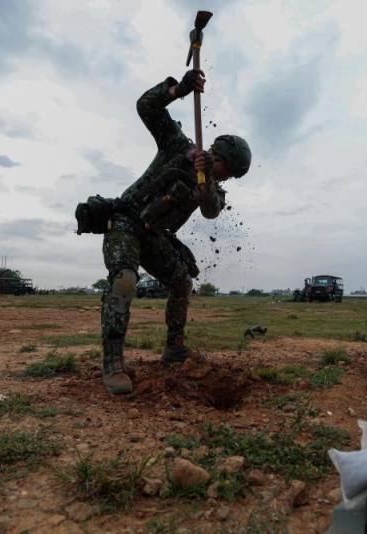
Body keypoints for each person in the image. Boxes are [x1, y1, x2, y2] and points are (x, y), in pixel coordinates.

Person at [99, 69, 251, 394]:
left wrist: (208, 179)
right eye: (227, 172)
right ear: (220, 156)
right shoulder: (178, 146)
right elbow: (146, 107)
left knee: (181, 279)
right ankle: (113, 363)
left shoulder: (212, 185)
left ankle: (174, 348)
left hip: (155, 236)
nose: (226, 179)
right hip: (126, 221)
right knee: (125, 281)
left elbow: (211, 211)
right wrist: (179, 90)